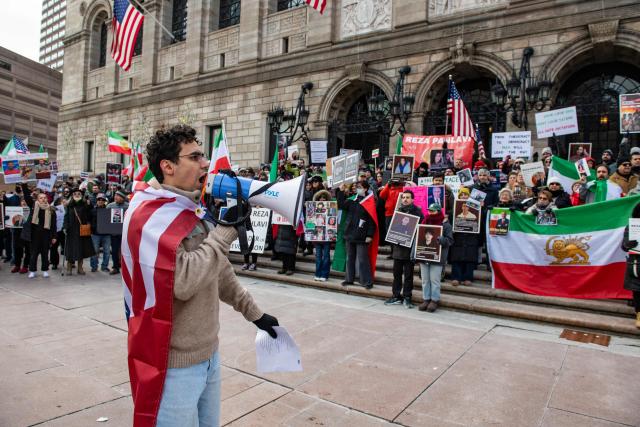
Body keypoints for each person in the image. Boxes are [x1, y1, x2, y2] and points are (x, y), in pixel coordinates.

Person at [125, 124, 278, 426]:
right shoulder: (149, 215)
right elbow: (181, 282)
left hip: (209, 354)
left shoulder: (190, 209)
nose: (205, 163)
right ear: (167, 166)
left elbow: (216, 270)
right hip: (173, 365)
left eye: (203, 155)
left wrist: (255, 314)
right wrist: (223, 234)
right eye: (194, 157)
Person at [384, 190, 423, 308]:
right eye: (403, 197)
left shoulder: (418, 212)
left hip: (409, 249)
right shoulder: (398, 211)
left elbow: (421, 229)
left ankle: (407, 297)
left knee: (408, 275)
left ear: (412, 199)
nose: (405, 199)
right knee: (396, 274)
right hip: (397, 249)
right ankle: (396, 296)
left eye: (408, 197)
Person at [337, 180, 376, 289]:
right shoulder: (352, 200)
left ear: (365, 189)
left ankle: (366, 281)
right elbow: (340, 204)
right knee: (350, 258)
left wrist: (370, 235)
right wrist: (340, 191)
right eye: (356, 186)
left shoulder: (370, 202)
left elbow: (372, 221)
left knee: (363, 259)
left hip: (362, 235)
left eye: (359, 187)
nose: (357, 188)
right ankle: (349, 279)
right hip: (349, 233)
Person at [417, 203, 453, 313]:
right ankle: (426, 299)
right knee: (425, 280)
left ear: (438, 211)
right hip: (425, 255)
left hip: (437, 256)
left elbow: (450, 241)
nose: (430, 212)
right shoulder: (424, 222)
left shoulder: (445, 225)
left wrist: (442, 239)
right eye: (429, 210)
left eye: (433, 211)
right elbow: (419, 237)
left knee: (435, 280)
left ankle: (434, 300)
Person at [22, 188, 57, 278]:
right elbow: (26, 196)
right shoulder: (34, 207)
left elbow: (53, 225)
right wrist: (24, 184)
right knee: (33, 254)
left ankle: (45, 270)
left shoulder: (51, 210)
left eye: (45, 197)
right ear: (37, 199)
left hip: (46, 235)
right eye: (41, 198)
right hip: (34, 235)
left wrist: (54, 237)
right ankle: (32, 271)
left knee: (45, 254)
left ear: (47, 199)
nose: (43, 199)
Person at [450, 189, 480, 286]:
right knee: (456, 258)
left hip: (471, 237)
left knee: (469, 259)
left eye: (465, 194)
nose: (463, 196)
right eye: (461, 194)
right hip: (457, 237)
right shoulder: (454, 209)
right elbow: (451, 221)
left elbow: (480, 221)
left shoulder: (476, 209)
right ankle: (456, 277)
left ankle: (468, 278)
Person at [63, 188, 95, 275]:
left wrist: (89, 205)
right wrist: (65, 227)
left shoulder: (85, 204)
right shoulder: (69, 205)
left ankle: (80, 268)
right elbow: (66, 217)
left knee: (81, 249)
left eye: (79, 194)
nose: (77, 195)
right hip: (71, 230)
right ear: (72, 196)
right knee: (70, 249)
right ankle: (69, 268)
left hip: (82, 230)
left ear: (81, 196)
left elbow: (90, 215)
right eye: (75, 194)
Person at [622, 202, 640, 329]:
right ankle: (639, 313)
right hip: (637, 263)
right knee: (638, 290)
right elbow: (624, 246)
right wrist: (629, 244)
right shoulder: (632, 227)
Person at [106, 190, 129, 275]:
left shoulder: (129, 206)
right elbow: (106, 218)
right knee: (114, 251)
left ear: (123, 198)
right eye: (115, 195)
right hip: (114, 234)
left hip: (125, 234)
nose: (116, 197)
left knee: (125, 251)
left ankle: (126, 268)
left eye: (118, 196)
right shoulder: (110, 206)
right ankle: (115, 267)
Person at [312, 189, 332, 282]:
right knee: (318, 257)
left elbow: (333, 222)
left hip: (327, 237)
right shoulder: (313, 209)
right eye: (320, 199)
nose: (322, 200)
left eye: (324, 199)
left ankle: (324, 274)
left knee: (326, 257)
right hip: (317, 236)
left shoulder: (331, 208)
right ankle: (317, 273)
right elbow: (310, 222)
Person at [90, 193, 112, 272]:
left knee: (107, 251)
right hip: (95, 234)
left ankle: (104, 266)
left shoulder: (108, 210)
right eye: (99, 199)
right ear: (96, 201)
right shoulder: (92, 210)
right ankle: (94, 266)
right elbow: (89, 221)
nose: (100, 201)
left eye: (102, 200)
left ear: (105, 201)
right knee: (94, 251)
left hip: (106, 234)